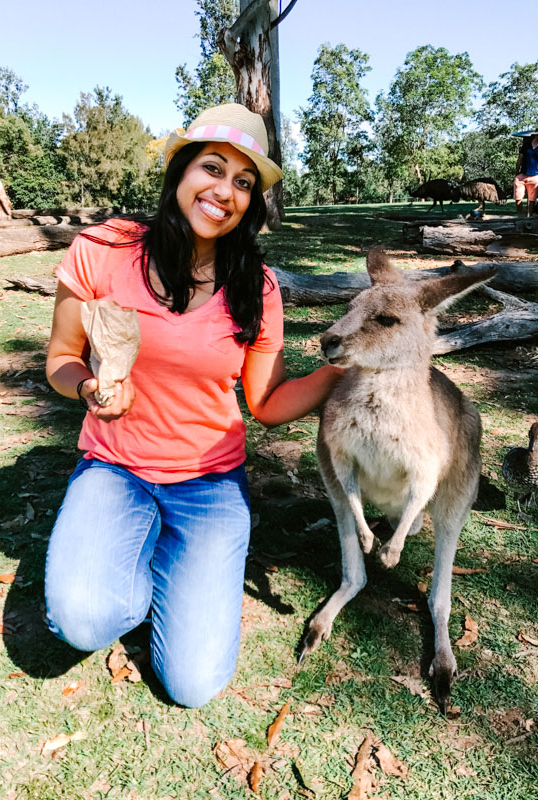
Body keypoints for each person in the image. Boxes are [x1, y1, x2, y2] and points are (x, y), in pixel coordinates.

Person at [44, 103, 342, 708]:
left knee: (192, 685)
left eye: (242, 182)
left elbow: (265, 403)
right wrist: (86, 388)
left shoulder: (254, 286)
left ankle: (173, 556)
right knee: (81, 620)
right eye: (212, 167)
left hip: (209, 484)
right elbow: (60, 359)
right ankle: (136, 546)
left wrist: (343, 373)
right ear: (179, 171)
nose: (224, 191)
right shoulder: (103, 250)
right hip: (115, 467)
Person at [514, 129, 538, 216]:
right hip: (522, 175)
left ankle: (529, 217)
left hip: (535, 176)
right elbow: (519, 159)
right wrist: (517, 173)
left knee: (532, 199)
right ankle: (520, 216)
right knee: (518, 197)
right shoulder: (526, 145)